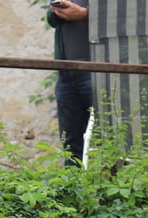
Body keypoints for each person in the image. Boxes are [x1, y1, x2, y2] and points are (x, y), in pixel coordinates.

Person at [47, 0, 91, 166]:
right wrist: (56, 10)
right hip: (66, 72)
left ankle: (102, 188)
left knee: (102, 139)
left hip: (98, 70)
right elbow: (52, 20)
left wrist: (85, 13)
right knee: (70, 144)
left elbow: (123, 15)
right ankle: (73, 188)